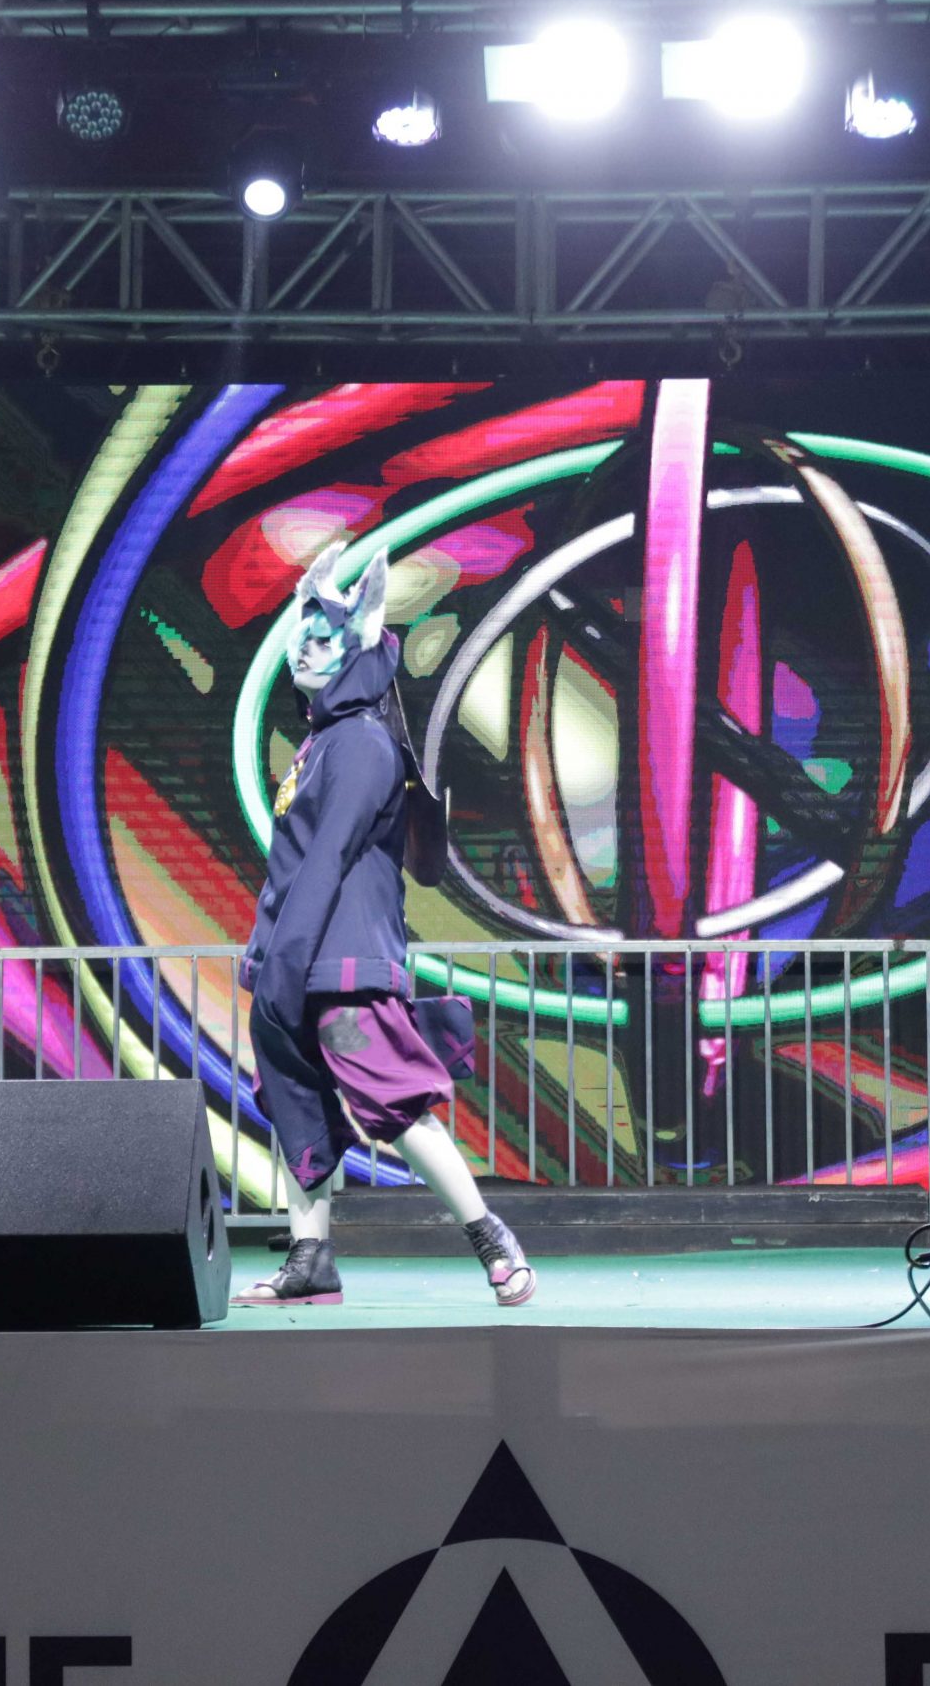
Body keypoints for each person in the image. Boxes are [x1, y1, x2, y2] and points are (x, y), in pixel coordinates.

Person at [234, 548, 535, 1308]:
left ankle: (490, 1237)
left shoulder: (362, 743)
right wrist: (272, 959)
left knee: (395, 1102)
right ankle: (310, 1258)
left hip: (339, 967)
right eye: (302, 635)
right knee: (298, 1103)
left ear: (356, 652)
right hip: (298, 959)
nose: (305, 648)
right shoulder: (324, 742)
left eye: (324, 638)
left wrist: (285, 960)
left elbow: (329, 858)